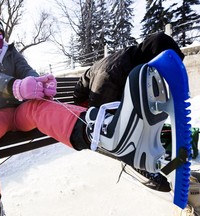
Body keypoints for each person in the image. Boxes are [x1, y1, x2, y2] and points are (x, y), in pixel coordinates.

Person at [0, 6, 177, 216]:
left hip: (21, 109)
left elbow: (26, 69)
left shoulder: (11, 51)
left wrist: (39, 82)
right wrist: (15, 86)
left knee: (42, 109)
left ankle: (95, 130)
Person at [73, 32, 200, 216]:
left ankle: (169, 164)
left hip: (107, 99)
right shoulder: (113, 72)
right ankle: (150, 168)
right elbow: (98, 111)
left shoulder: (136, 63)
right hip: (84, 106)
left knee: (148, 125)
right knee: (132, 137)